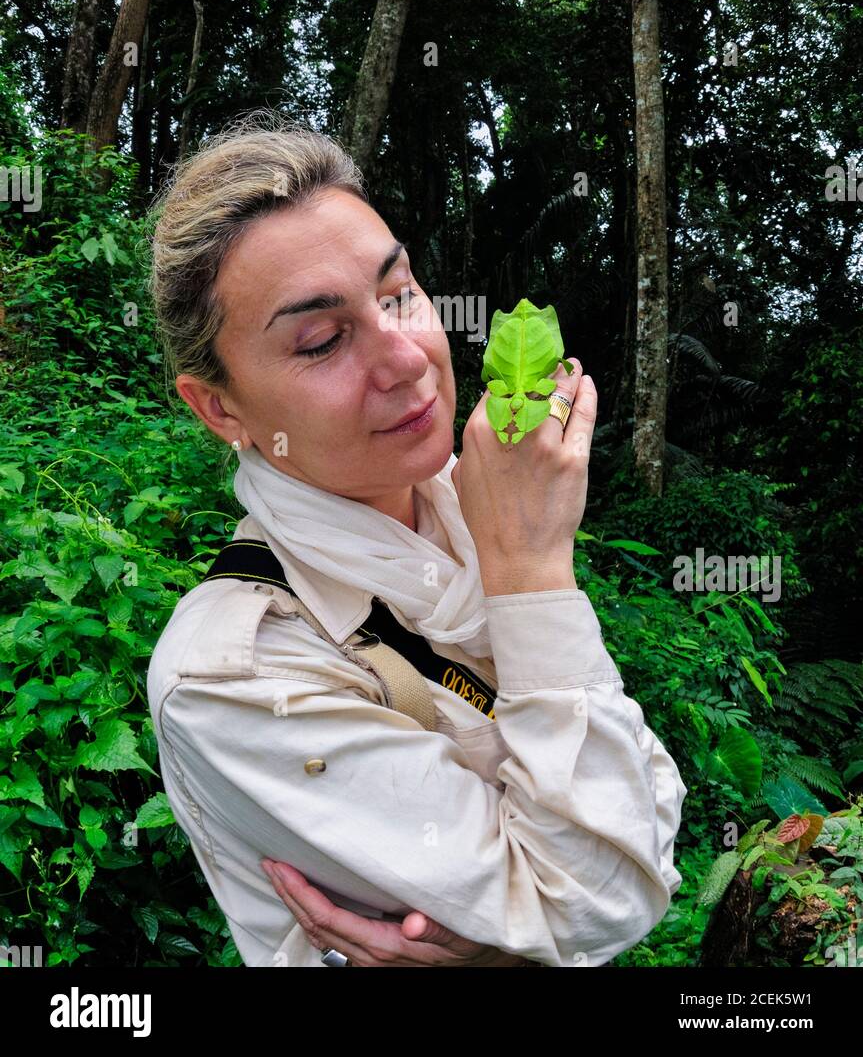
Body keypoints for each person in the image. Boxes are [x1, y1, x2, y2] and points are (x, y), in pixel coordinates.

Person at [145, 111, 687, 968]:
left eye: (397, 295)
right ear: (221, 408)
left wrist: (507, 949)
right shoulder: (236, 676)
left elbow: (654, 817)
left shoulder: (472, 501)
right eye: (321, 341)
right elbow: (605, 895)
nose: (404, 357)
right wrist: (533, 571)